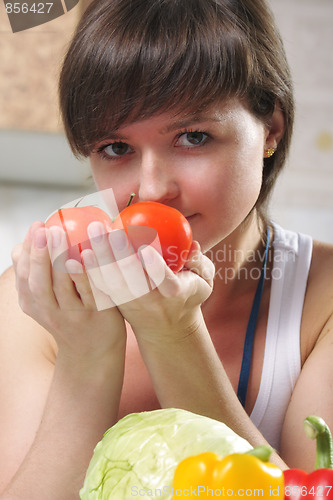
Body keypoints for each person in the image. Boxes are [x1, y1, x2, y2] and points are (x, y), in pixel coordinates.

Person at [1, 0, 333, 497]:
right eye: (116, 148)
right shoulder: (39, 297)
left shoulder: (322, 301)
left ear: (270, 129)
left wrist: (176, 336)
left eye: (193, 137)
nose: (153, 189)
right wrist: (86, 359)